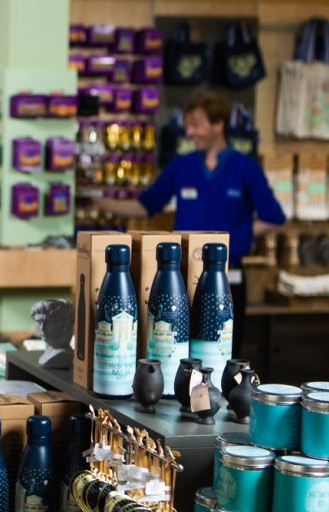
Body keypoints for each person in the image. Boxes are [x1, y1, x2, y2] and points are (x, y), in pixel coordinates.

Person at [92, 91, 286, 353]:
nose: (190, 132)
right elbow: (145, 205)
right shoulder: (181, 166)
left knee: (221, 353)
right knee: (176, 350)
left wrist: (238, 236)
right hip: (180, 277)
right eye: (188, 125)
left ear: (218, 125)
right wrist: (102, 203)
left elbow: (273, 217)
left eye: (196, 125)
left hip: (229, 278)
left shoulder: (245, 168)